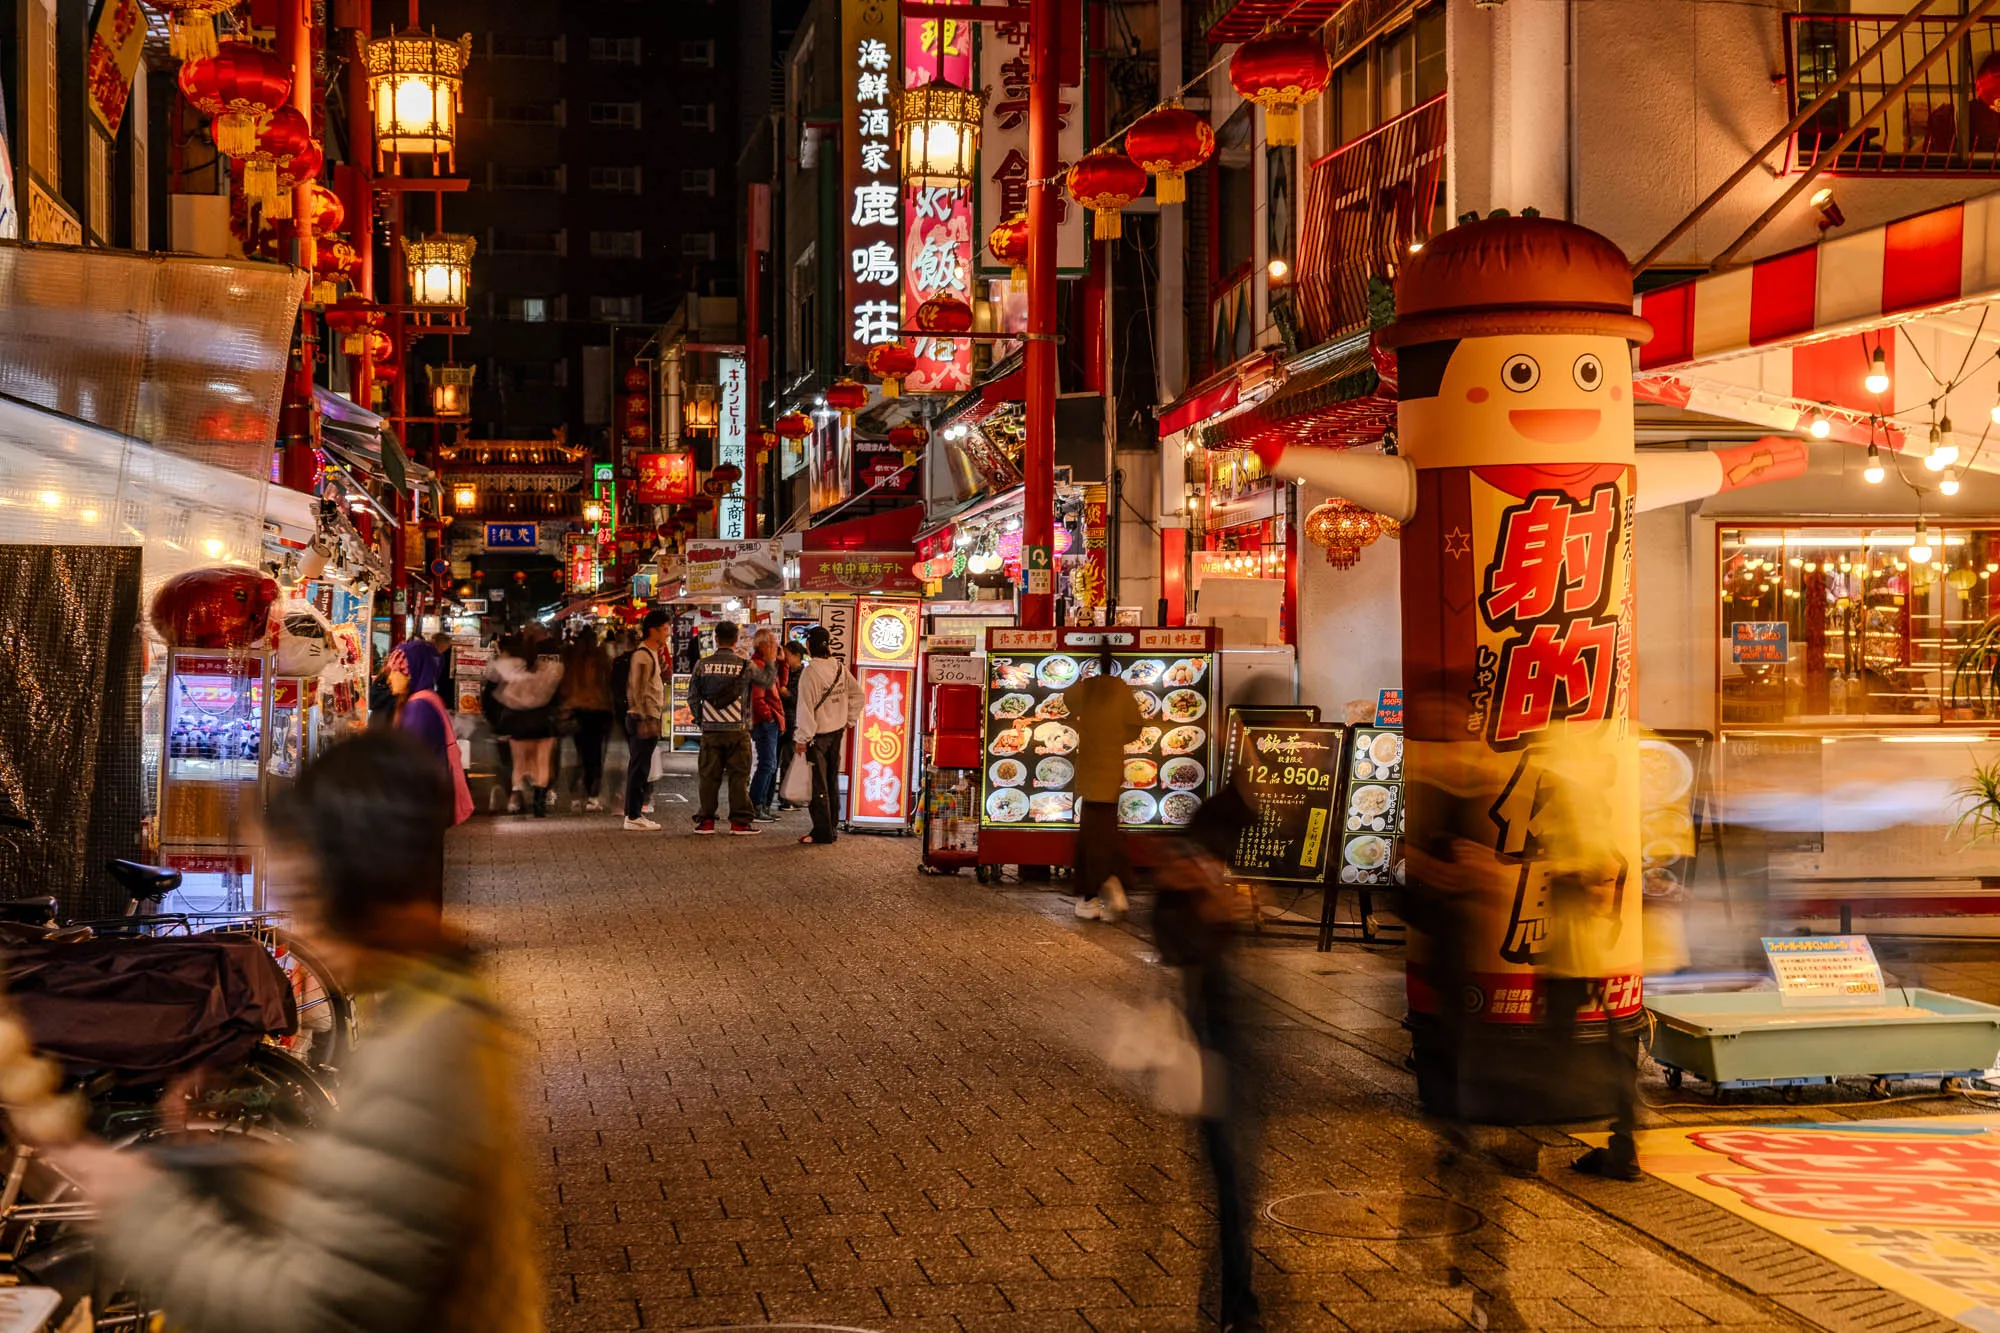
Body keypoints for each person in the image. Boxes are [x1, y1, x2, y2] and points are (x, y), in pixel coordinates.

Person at [51, 730, 543, 1333]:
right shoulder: (438, 1007)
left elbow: (314, 1312)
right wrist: (231, 1174)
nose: (300, 920)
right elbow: (385, 1207)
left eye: (306, 892)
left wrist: (139, 1211)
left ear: (358, 885)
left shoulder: (429, 1055)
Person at [1155, 783, 1262, 1333]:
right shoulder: (1190, 868)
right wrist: (1210, 906)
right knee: (1229, 1173)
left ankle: (1237, 1296)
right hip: (1212, 1038)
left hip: (1230, 1037)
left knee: (1234, 1173)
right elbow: (1175, 945)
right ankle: (1236, 1302)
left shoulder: (1198, 864)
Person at [1068, 647, 1141, 920]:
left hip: (1089, 767)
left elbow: (1067, 700)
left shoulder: (1087, 688)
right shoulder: (1121, 689)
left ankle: (1105, 885)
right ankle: (1101, 894)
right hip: (1111, 769)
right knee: (1105, 828)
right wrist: (1114, 739)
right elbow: (1136, 727)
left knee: (1091, 833)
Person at [688, 621, 773, 835]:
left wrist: (701, 719)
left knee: (709, 776)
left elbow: (692, 697)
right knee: (738, 776)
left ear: (716, 639)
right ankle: (739, 822)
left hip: (711, 730)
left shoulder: (702, 665)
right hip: (738, 729)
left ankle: (706, 821)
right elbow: (767, 682)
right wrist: (771, 661)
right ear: (736, 640)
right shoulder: (745, 665)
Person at [385, 639, 473, 837]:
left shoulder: (419, 707)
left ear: (412, 672)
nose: (390, 678)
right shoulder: (427, 699)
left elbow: (411, 759)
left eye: (396, 671)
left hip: (420, 804)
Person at [791, 626, 864, 846]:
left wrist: (801, 738)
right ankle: (831, 828)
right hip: (836, 734)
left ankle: (822, 832)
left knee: (818, 785)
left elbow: (805, 708)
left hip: (817, 736)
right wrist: (848, 720)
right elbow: (858, 695)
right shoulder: (839, 668)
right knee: (831, 781)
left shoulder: (810, 672)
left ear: (809, 645)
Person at [491, 634, 564, 817]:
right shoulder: (548, 672)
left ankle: (517, 798)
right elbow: (556, 698)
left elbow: (495, 696)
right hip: (542, 723)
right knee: (542, 763)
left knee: (519, 763)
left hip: (518, 723)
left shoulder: (512, 672)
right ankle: (539, 804)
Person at [622, 609, 670, 831]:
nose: (668, 633)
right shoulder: (642, 655)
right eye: (665, 628)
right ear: (653, 630)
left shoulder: (652, 654)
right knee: (639, 768)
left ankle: (633, 813)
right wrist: (643, 717)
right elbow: (637, 689)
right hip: (643, 717)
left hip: (646, 715)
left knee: (640, 766)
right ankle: (633, 815)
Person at [558, 628, 615, 813]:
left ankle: (576, 795)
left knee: (580, 753)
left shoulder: (572, 660)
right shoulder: (601, 659)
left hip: (578, 710)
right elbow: (609, 685)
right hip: (599, 711)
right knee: (595, 756)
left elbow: (565, 686)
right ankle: (592, 796)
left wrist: (565, 707)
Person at [746, 629, 788, 822]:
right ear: (762, 645)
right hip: (765, 723)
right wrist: (769, 717)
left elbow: (781, 684)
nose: (775, 644)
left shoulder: (767, 665)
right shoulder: (758, 666)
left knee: (770, 765)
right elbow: (757, 699)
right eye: (771, 642)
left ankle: (762, 804)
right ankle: (755, 805)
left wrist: (781, 661)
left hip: (771, 721)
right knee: (767, 764)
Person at [481, 636, 521, 813]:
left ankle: (511, 795)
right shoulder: (526, 665)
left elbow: (488, 699)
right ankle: (516, 795)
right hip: (522, 722)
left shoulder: (497, 668)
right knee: (519, 760)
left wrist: (491, 720)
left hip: (503, 722)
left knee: (506, 761)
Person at [774, 640, 807, 810]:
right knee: (774, 760)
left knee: (787, 760)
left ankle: (786, 799)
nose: (784, 658)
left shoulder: (804, 675)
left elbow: (800, 700)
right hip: (779, 720)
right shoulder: (782, 670)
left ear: (796, 656)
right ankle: (778, 798)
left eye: (786, 655)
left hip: (793, 721)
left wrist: (786, 693)